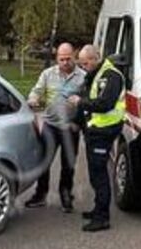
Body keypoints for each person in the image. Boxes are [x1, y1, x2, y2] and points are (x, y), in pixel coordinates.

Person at [70, 43, 126, 232]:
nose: (84, 67)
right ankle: (97, 209)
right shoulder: (95, 74)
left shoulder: (111, 76)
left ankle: (102, 218)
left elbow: (105, 104)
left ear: (95, 59)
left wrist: (81, 101)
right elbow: (88, 96)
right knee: (94, 173)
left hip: (105, 130)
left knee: (99, 174)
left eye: (86, 63)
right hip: (95, 130)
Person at [24, 43, 86, 213]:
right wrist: (33, 99)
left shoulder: (83, 77)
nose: (65, 62)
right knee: (44, 162)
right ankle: (40, 194)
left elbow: (87, 102)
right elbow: (36, 91)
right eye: (61, 59)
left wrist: (79, 121)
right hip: (50, 125)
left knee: (68, 165)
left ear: (74, 56)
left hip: (70, 126)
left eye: (68, 59)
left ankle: (66, 194)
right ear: (56, 58)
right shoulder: (48, 74)